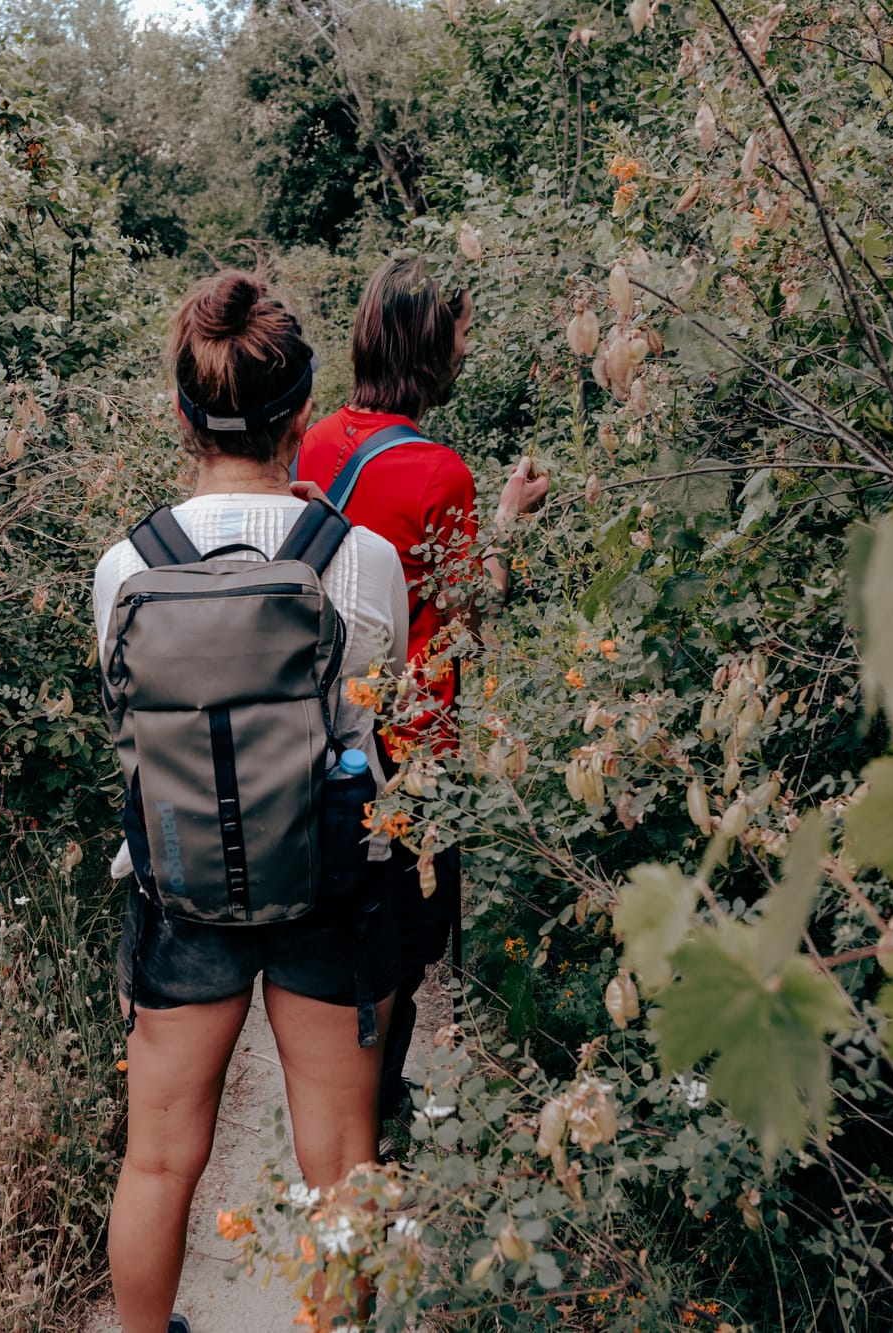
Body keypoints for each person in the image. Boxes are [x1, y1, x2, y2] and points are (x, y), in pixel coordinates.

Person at [94, 270, 411, 1333]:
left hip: (181, 884)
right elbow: (377, 710)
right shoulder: (361, 559)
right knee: (343, 1160)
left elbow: (128, 723)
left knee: (156, 1157)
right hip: (329, 879)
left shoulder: (126, 567)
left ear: (181, 412)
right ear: (305, 410)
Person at [295, 256, 550, 1126]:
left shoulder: (313, 442)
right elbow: (468, 615)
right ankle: (375, 1111)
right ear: (431, 344)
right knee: (406, 940)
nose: (468, 347)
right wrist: (507, 521)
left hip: (322, 735)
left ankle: (345, 1102)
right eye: (463, 330)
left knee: (342, 927)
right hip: (412, 754)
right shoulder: (441, 473)